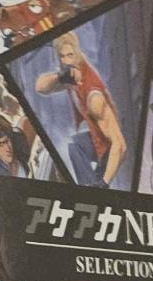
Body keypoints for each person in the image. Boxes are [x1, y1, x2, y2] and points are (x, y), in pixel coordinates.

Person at [35, 32, 126, 187]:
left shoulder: (94, 98)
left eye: (70, 55)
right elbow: (40, 87)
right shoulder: (70, 76)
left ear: (76, 56)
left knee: (94, 184)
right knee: (74, 145)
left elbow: (120, 146)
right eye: (62, 57)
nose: (66, 61)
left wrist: (104, 182)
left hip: (110, 151)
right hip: (96, 140)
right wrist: (59, 76)